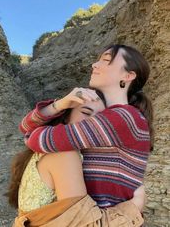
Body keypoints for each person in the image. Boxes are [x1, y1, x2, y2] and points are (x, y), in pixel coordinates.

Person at [8, 94, 146, 226]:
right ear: (66, 117)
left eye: (101, 119)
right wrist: (135, 205)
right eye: (86, 113)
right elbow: (84, 224)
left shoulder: (48, 149)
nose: (93, 122)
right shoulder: (64, 154)